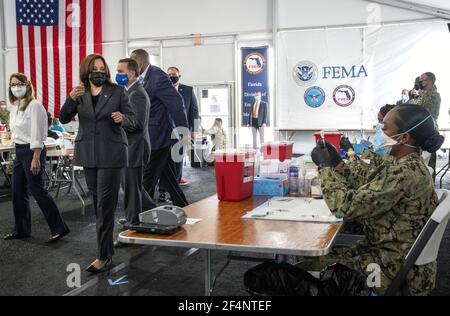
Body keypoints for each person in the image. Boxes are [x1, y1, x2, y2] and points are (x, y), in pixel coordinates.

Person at [308, 104, 444, 295]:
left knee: (309, 266)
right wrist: (337, 164)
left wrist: (323, 167)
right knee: (323, 251)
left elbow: (343, 206)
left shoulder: (404, 173)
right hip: (390, 252)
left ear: (404, 137)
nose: (379, 131)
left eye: (385, 128)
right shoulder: (404, 162)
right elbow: (368, 183)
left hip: (391, 267)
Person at [60, 54, 135, 273]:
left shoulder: (118, 91)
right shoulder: (79, 94)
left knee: (104, 204)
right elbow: (64, 118)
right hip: (89, 154)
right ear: (87, 71)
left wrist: (123, 118)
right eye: (95, 68)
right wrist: (70, 99)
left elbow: (133, 119)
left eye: (102, 68)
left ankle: (103, 255)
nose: (99, 72)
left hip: (111, 153)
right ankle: (106, 250)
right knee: (99, 203)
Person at [3, 73, 69, 242]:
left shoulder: (35, 106)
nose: (16, 87)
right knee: (17, 192)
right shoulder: (15, 106)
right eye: (12, 84)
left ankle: (59, 228)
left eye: (19, 83)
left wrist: (36, 158)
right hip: (19, 151)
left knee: (37, 190)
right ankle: (21, 229)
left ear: (27, 85)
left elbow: (38, 134)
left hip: (33, 151)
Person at [131, 49, 189, 207]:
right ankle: (186, 208)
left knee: (145, 183)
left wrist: (183, 130)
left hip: (157, 138)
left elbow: (176, 103)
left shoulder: (157, 77)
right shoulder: (141, 78)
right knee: (169, 180)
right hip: (151, 137)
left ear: (141, 62)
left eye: (133, 62)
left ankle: (139, 216)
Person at [115, 58, 155, 229]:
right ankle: (150, 212)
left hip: (135, 148)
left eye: (120, 71)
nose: (117, 74)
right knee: (133, 187)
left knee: (131, 189)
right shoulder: (128, 91)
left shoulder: (137, 93)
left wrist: (120, 118)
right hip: (130, 148)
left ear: (131, 73)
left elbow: (137, 123)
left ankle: (133, 225)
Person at [167, 66, 200, 186]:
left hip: (182, 130)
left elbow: (194, 111)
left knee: (178, 158)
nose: (171, 77)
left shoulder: (188, 90)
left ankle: (176, 182)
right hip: (165, 130)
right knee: (166, 159)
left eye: (174, 75)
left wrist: (194, 130)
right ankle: (164, 186)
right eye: (169, 75)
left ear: (179, 76)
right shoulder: (163, 90)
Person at [411, 72, 441, 177]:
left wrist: (414, 97)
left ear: (431, 81)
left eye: (424, 80)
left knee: (428, 166)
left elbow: (419, 108)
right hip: (422, 132)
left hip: (429, 133)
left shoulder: (433, 95)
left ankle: (429, 189)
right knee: (420, 164)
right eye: (420, 80)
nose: (421, 82)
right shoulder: (421, 95)